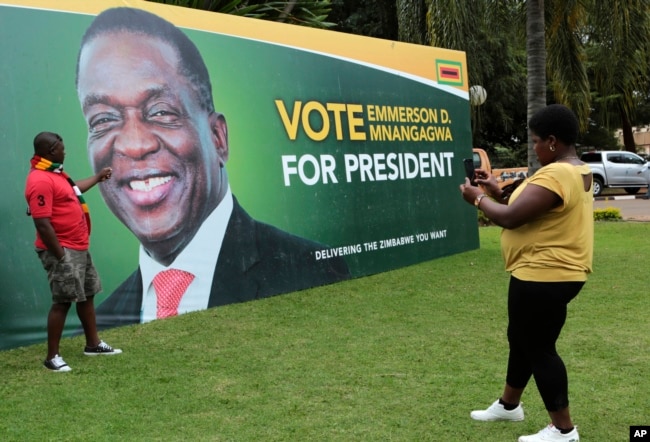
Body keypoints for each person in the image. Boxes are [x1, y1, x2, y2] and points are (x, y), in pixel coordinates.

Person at [74, 7, 350, 329]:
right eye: (103, 119)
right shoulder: (103, 323)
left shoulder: (308, 272)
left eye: (161, 111)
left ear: (218, 138)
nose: (134, 145)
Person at [460, 104, 593, 442]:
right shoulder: (578, 169)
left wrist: (477, 199)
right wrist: (495, 190)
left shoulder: (557, 173)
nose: (533, 147)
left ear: (552, 141)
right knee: (520, 338)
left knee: (539, 348)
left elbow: (510, 218)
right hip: (548, 272)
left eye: (535, 141)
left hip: (544, 273)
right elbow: (532, 206)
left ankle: (563, 430)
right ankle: (509, 405)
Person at [25, 131, 122, 372]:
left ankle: (93, 344)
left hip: (78, 246)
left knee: (87, 294)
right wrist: (61, 257)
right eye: (61, 148)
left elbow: (73, 190)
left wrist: (98, 178)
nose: (65, 151)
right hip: (62, 250)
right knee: (62, 302)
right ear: (50, 151)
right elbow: (42, 223)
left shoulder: (56, 174)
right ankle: (52, 358)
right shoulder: (40, 180)